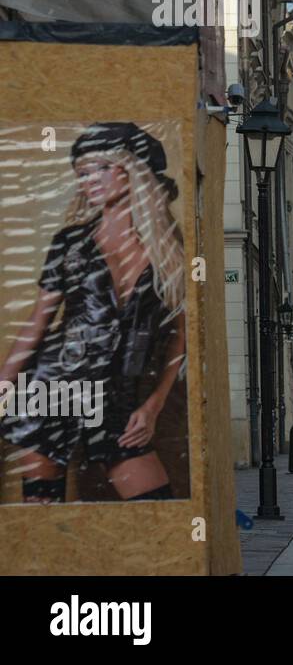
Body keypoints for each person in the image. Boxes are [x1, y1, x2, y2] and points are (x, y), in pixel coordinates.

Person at [0, 123, 186, 503]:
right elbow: (38, 322)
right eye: (82, 173)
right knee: (43, 517)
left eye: (100, 168)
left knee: (154, 509)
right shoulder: (70, 243)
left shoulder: (169, 249)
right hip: (51, 390)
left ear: (130, 168)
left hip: (117, 400)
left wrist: (153, 405)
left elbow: (182, 335)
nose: (89, 181)